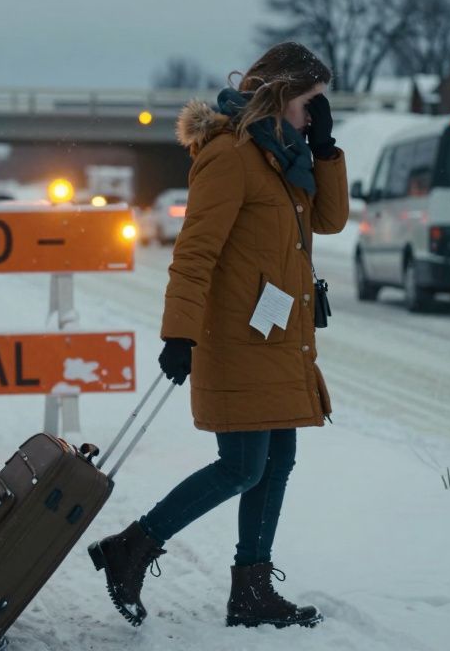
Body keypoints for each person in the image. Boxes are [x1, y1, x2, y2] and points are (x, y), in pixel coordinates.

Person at [87, 42, 348, 630]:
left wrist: (325, 149)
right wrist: (179, 333)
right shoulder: (230, 156)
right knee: (241, 466)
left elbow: (328, 220)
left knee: (277, 460)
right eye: (311, 102)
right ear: (282, 95)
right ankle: (133, 545)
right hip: (235, 337)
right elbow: (195, 251)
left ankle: (251, 588)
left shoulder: (285, 157)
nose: (315, 114)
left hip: (278, 336)